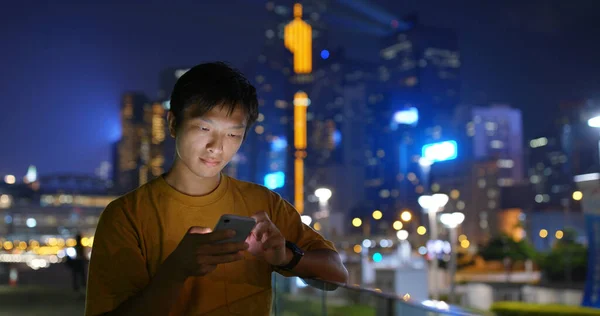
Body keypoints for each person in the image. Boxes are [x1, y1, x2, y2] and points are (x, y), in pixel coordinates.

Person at [85, 62, 348, 316]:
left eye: (233, 135)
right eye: (204, 128)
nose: (217, 146)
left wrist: (286, 257)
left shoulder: (263, 204)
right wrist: (176, 271)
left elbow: (337, 274)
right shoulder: (127, 215)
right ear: (173, 123)